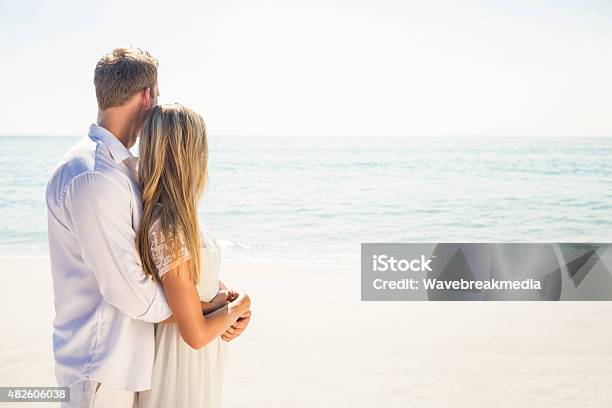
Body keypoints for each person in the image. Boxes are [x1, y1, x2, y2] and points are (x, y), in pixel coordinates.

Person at [45, 48, 251, 407]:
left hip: (130, 363)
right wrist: (208, 312)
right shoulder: (94, 176)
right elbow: (130, 291)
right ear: (148, 94)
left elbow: (166, 263)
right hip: (101, 366)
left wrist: (221, 303)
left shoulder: (126, 171)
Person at [135, 103, 250, 407]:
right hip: (180, 363)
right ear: (187, 154)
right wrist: (240, 306)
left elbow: (199, 278)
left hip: (202, 358)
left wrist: (231, 303)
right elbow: (195, 334)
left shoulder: (182, 216)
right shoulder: (167, 225)